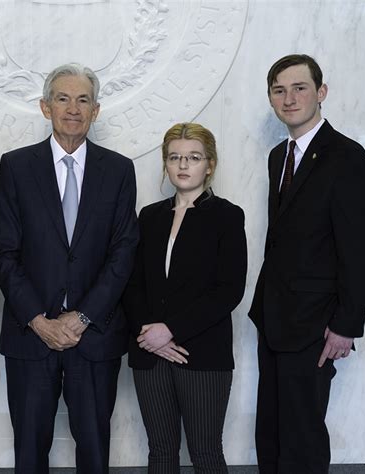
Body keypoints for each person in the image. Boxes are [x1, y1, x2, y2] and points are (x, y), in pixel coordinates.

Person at [0, 63, 138, 474]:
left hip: (94, 340)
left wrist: (83, 316)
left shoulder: (118, 169)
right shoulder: (16, 166)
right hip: (30, 337)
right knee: (29, 452)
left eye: (83, 100)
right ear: (44, 107)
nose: (73, 108)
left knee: (94, 452)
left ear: (96, 110)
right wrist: (39, 320)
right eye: (62, 98)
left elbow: (123, 253)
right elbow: (3, 252)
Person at [249, 54, 365, 473]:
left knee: (302, 438)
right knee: (272, 431)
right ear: (270, 98)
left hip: (316, 323)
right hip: (275, 317)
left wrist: (347, 324)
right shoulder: (277, 156)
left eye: (299, 88)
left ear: (321, 93)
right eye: (279, 90)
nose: (289, 98)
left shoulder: (347, 157)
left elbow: (360, 248)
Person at [123, 122, 247, 473]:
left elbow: (228, 290)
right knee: (160, 453)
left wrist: (170, 330)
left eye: (193, 157)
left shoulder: (226, 216)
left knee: (205, 453)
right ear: (165, 163)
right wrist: (149, 335)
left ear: (209, 164)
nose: (182, 165)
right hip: (149, 352)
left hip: (202, 354)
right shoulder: (149, 217)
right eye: (174, 157)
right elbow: (131, 285)